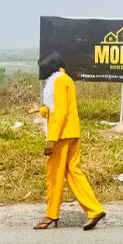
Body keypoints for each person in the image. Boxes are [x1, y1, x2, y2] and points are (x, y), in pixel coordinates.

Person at [29, 52, 105, 230]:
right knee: (73, 172)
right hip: (71, 133)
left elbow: (60, 112)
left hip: (61, 136)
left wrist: (51, 140)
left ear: (49, 67)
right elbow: (58, 108)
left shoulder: (58, 81)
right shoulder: (65, 79)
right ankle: (95, 210)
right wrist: (40, 110)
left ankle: (51, 214)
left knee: (54, 175)